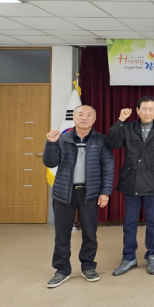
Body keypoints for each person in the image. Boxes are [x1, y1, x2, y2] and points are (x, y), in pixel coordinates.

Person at [43, 105, 114, 288]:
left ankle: (88, 266)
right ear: (74, 118)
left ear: (94, 119)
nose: (84, 118)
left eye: (89, 115)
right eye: (80, 114)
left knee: (90, 233)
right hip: (64, 192)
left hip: (89, 193)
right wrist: (51, 143)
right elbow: (50, 162)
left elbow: (108, 168)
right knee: (62, 234)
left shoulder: (101, 140)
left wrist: (105, 192)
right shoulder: (62, 138)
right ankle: (62, 269)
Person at [106, 96, 154, 276]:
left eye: (151, 109)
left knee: (153, 222)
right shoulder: (128, 128)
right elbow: (112, 142)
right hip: (132, 182)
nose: (147, 112)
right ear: (137, 111)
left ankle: (152, 255)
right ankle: (129, 257)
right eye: (144, 108)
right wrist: (120, 120)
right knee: (129, 222)